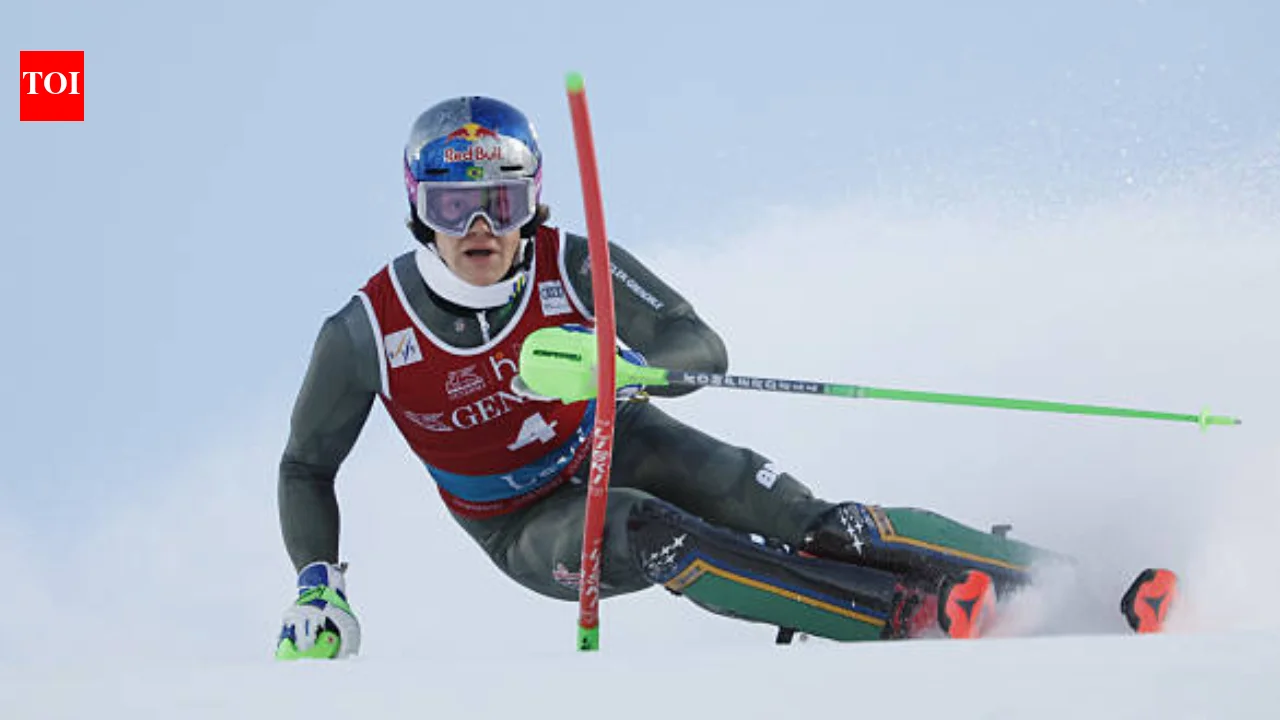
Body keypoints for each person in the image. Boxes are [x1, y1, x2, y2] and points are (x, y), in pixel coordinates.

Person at [275, 96, 1164, 659]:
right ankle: (900, 616)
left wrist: (626, 368)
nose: (480, 228)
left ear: (532, 202)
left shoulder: (570, 264)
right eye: (452, 205)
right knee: (652, 534)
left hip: (623, 436)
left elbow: (701, 343)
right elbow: (305, 467)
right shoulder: (366, 330)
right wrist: (320, 586)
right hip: (522, 520)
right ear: (417, 210)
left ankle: (1069, 580)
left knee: (820, 522)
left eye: (502, 202)